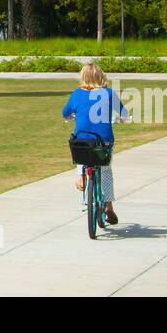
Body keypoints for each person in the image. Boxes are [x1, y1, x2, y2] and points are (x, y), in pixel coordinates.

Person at [62, 63, 131, 225]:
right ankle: (108, 207)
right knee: (105, 170)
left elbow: (65, 113)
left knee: (81, 151)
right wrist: (123, 118)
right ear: (101, 77)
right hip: (103, 142)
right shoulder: (108, 93)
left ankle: (81, 176)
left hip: (81, 143)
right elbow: (124, 113)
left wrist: (72, 116)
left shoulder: (77, 94)